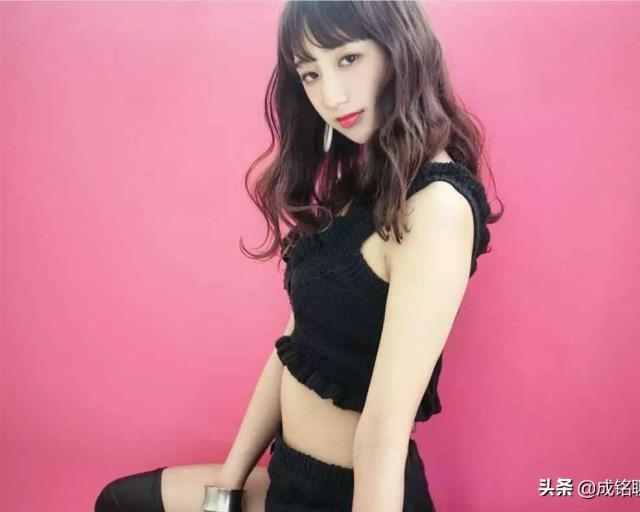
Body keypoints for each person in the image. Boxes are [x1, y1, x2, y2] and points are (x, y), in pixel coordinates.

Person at [94, 1, 502, 511]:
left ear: (400, 49)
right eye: (310, 73)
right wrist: (226, 489)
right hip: (288, 477)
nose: (331, 96)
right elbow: (292, 345)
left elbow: (382, 434)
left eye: (348, 59)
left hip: (350, 498)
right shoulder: (368, 184)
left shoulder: (438, 207)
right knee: (121, 502)